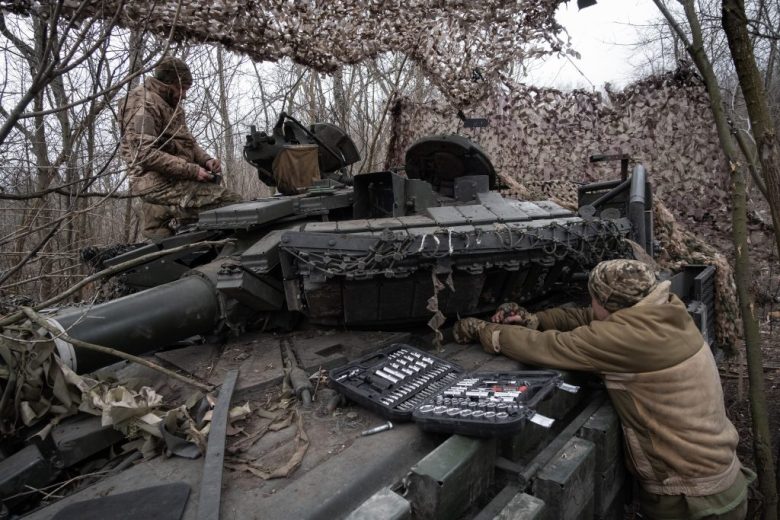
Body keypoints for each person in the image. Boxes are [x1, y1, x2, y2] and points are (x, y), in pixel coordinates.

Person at [454, 259, 753, 520]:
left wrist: (485, 331)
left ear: (606, 302)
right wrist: (535, 320)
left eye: (593, 298)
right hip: (722, 483)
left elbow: (548, 346)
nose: (590, 305)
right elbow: (587, 319)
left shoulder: (629, 340)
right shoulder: (666, 313)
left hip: (692, 501)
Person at [119, 56, 241, 240]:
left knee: (172, 232)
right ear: (168, 84)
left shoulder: (170, 104)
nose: (184, 94)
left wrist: (206, 160)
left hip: (175, 177)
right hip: (157, 182)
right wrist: (192, 171)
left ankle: (165, 220)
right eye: (181, 88)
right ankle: (167, 212)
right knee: (233, 206)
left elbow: (187, 142)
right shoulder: (143, 104)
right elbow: (144, 154)